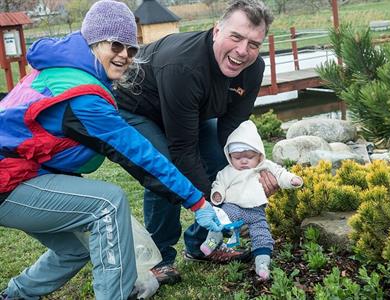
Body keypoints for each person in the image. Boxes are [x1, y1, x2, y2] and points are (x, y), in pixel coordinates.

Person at [0, 1, 222, 299]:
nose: (124, 56)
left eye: (131, 50)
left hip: (20, 175)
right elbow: (140, 156)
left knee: (75, 249)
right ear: (94, 41)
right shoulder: (84, 97)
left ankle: (15, 295)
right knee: (108, 203)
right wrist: (197, 202)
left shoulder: (63, 69)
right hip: (8, 182)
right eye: (116, 45)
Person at [115, 0, 275, 285]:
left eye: (253, 44)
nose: (242, 51)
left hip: (187, 111)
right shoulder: (184, 65)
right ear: (216, 31)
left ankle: (202, 245)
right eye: (236, 37)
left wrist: (253, 171)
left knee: (220, 157)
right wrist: (212, 207)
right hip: (136, 108)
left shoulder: (253, 68)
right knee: (164, 168)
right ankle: (159, 257)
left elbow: (233, 134)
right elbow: (183, 150)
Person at [200, 120, 303, 280]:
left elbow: (280, 173)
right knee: (220, 220)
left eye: (249, 157)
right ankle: (211, 244)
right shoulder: (227, 171)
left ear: (259, 154)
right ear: (229, 156)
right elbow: (218, 184)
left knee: (262, 236)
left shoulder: (265, 166)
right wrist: (217, 195)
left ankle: (262, 264)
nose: (243, 161)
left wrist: (291, 180)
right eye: (237, 157)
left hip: (257, 212)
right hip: (233, 207)